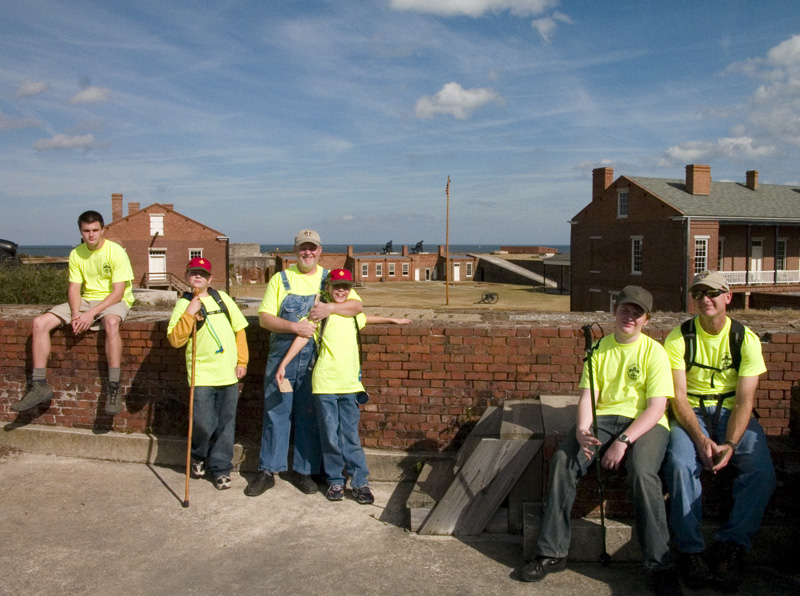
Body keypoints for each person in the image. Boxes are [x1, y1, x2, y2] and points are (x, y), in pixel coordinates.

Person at [521, 286, 681, 596]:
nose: (629, 317)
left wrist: (624, 440)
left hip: (646, 424)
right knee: (563, 462)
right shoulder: (599, 349)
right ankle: (552, 551)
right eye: (625, 309)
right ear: (615, 311)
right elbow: (588, 396)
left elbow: (657, 408)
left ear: (647, 319)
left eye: (637, 313)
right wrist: (582, 429)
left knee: (643, 473)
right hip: (603, 419)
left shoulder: (655, 353)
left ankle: (660, 563)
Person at [664, 271, 776, 591]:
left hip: (731, 412)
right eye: (698, 294)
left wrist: (729, 443)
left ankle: (732, 545)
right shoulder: (679, 338)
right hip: (693, 413)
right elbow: (679, 397)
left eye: (712, 293)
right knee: (680, 464)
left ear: (728, 297)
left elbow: (745, 399)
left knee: (762, 472)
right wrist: (700, 439)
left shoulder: (745, 339)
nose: (705, 299)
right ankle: (689, 549)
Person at [275, 268, 410, 503]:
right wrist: (284, 364)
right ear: (328, 288)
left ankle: (360, 482)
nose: (341, 290)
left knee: (350, 436)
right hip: (324, 385)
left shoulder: (351, 314)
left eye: (345, 287)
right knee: (329, 436)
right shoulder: (320, 315)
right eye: (336, 286)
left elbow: (365, 316)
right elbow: (303, 336)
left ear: (351, 290)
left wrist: (391, 319)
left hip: (350, 385)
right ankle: (335, 481)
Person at [245, 230, 363, 497]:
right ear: (295, 251)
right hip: (283, 354)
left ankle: (304, 470)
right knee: (276, 412)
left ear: (320, 250)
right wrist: (293, 326)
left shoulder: (329, 280)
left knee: (309, 415)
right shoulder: (281, 279)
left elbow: (357, 307)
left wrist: (330, 308)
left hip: (316, 358)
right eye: (302, 248)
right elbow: (264, 318)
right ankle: (268, 470)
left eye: (312, 248)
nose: (307, 253)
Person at [12, 210, 134, 416]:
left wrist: (91, 314)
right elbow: (74, 289)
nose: (91, 235)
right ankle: (39, 385)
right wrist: (77, 312)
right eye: (86, 231)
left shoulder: (116, 252)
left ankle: (114, 386)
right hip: (86, 300)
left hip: (114, 300)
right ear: (81, 231)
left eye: (95, 230)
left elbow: (119, 292)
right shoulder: (77, 253)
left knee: (112, 324)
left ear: (103, 230)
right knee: (40, 323)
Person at [167, 257, 248, 490]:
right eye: (193, 273)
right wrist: (190, 313)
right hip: (201, 374)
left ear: (210, 278)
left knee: (225, 424)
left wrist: (242, 361)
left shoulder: (222, 299)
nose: (198, 277)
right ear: (187, 276)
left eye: (202, 274)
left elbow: (240, 330)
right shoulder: (183, 304)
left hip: (228, 373)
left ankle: (221, 468)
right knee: (203, 422)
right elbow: (175, 339)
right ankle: (199, 455)